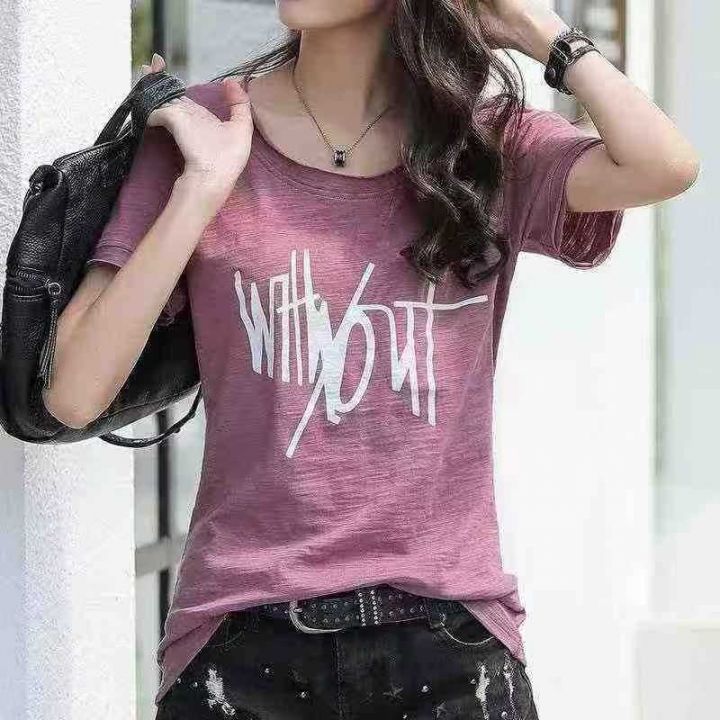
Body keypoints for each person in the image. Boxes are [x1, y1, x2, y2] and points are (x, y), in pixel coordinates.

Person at [42, 1, 699, 718]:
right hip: (243, 643)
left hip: (449, 645)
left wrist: (536, 31)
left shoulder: (485, 146)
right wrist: (199, 190)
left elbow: (665, 164)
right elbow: (73, 393)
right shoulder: (203, 127)